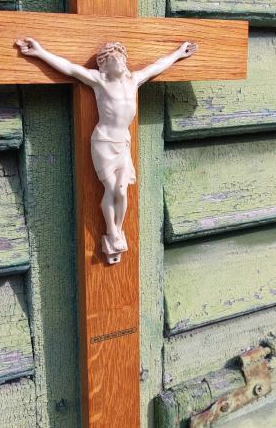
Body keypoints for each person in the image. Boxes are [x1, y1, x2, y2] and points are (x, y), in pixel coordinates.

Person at [16, 37, 197, 262]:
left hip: (123, 142)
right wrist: (41, 52)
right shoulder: (99, 81)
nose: (120, 62)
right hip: (104, 141)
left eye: (122, 58)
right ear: (104, 64)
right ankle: (111, 231)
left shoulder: (134, 80)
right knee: (111, 188)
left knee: (121, 189)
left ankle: (117, 230)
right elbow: (70, 68)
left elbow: (157, 66)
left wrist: (178, 53)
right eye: (114, 59)